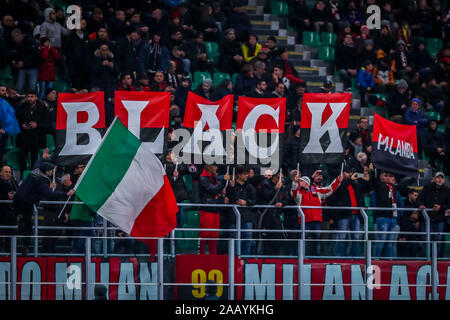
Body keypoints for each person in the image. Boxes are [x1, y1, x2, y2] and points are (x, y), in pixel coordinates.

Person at [14, 161, 74, 255]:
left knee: (18, 222)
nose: (51, 172)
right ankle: (25, 245)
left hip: (17, 199)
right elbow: (49, 194)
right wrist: (65, 194)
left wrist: (43, 158)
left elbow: (37, 163)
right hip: (27, 202)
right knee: (28, 225)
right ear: (46, 171)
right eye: (50, 170)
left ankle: (19, 218)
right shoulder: (42, 180)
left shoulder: (35, 171)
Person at [291, 173, 341, 256]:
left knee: (316, 239)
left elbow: (329, 189)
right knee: (303, 239)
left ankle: (315, 257)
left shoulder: (316, 190)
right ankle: (301, 257)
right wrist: (295, 182)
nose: (299, 182)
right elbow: (294, 192)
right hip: (304, 220)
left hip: (316, 220)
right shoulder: (298, 193)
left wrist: (338, 180)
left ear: (306, 183)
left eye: (301, 181)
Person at [327, 165, 370, 257]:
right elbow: (339, 191)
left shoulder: (355, 183)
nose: (350, 174)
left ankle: (356, 257)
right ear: (343, 173)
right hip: (344, 214)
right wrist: (350, 180)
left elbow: (364, 190)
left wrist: (367, 176)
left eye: (351, 172)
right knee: (342, 236)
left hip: (356, 214)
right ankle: (339, 256)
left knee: (356, 237)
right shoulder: (338, 183)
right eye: (348, 172)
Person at [225, 166, 257, 256]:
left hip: (247, 217)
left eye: (247, 174)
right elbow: (230, 198)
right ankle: (234, 259)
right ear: (238, 175)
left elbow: (254, 201)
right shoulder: (231, 186)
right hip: (233, 217)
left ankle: (244, 259)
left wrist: (246, 202)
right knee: (233, 239)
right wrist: (231, 188)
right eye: (244, 174)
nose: (247, 176)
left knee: (247, 239)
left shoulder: (250, 186)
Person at [369, 165, 400, 258]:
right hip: (382, 218)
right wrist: (372, 171)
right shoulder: (379, 186)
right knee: (380, 242)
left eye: (390, 176)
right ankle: (376, 260)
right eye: (385, 175)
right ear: (381, 177)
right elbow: (373, 180)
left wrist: (414, 176)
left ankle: (389, 261)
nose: (388, 177)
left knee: (390, 243)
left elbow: (403, 183)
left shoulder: (393, 187)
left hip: (393, 218)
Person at [198, 164, 230, 254]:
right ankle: (201, 255)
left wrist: (223, 198)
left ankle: (213, 256)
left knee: (214, 235)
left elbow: (216, 193)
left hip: (215, 209)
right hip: (206, 210)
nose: (216, 168)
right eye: (215, 166)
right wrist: (223, 181)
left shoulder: (213, 178)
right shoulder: (203, 178)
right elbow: (213, 190)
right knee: (205, 235)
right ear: (209, 167)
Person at [15, 90, 48, 174]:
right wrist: (22, 125)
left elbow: (47, 122)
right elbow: (16, 120)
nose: (29, 98)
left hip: (37, 136)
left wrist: (37, 125)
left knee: (34, 157)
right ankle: (23, 175)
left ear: (36, 97)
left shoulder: (42, 107)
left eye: (31, 96)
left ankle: (34, 175)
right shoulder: (21, 107)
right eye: (28, 97)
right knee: (22, 156)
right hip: (24, 135)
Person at [418, 172, 450, 257]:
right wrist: (421, 205)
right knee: (426, 241)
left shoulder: (447, 190)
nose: (439, 179)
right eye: (438, 177)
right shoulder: (427, 188)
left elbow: (449, 204)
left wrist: (440, 207)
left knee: (438, 241)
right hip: (427, 218)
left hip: (439, 219)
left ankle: (437, 260)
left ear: (444, 180)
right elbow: (419, 199)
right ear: (434, 179)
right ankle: (424, 260)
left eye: (441, 178)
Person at [0, 165, 17, 252]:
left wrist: (15, 196)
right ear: (0, 173)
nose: (8, 174)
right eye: (6, 172)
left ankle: (10, 255)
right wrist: (6, 196)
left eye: (9, 172)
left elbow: (18, 191)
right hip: (1, 215)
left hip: (11, 214)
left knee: (11, 237)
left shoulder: (13, 182)